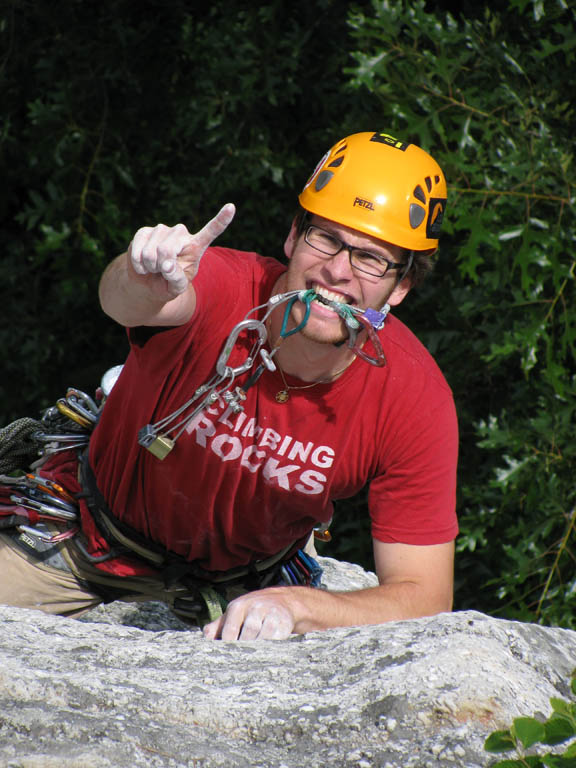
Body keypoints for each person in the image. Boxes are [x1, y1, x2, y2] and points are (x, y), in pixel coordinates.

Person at [0, 131, 458, 640]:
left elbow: (425, 595)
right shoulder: (222, 286)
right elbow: (126, 303)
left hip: (252, 581)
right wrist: (141, 276)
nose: (337, 271)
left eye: (371, 258)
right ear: (292, 237)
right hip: (87, 541)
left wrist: (300, 606)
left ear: (401, 287)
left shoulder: (414, 398)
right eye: (325, 238)